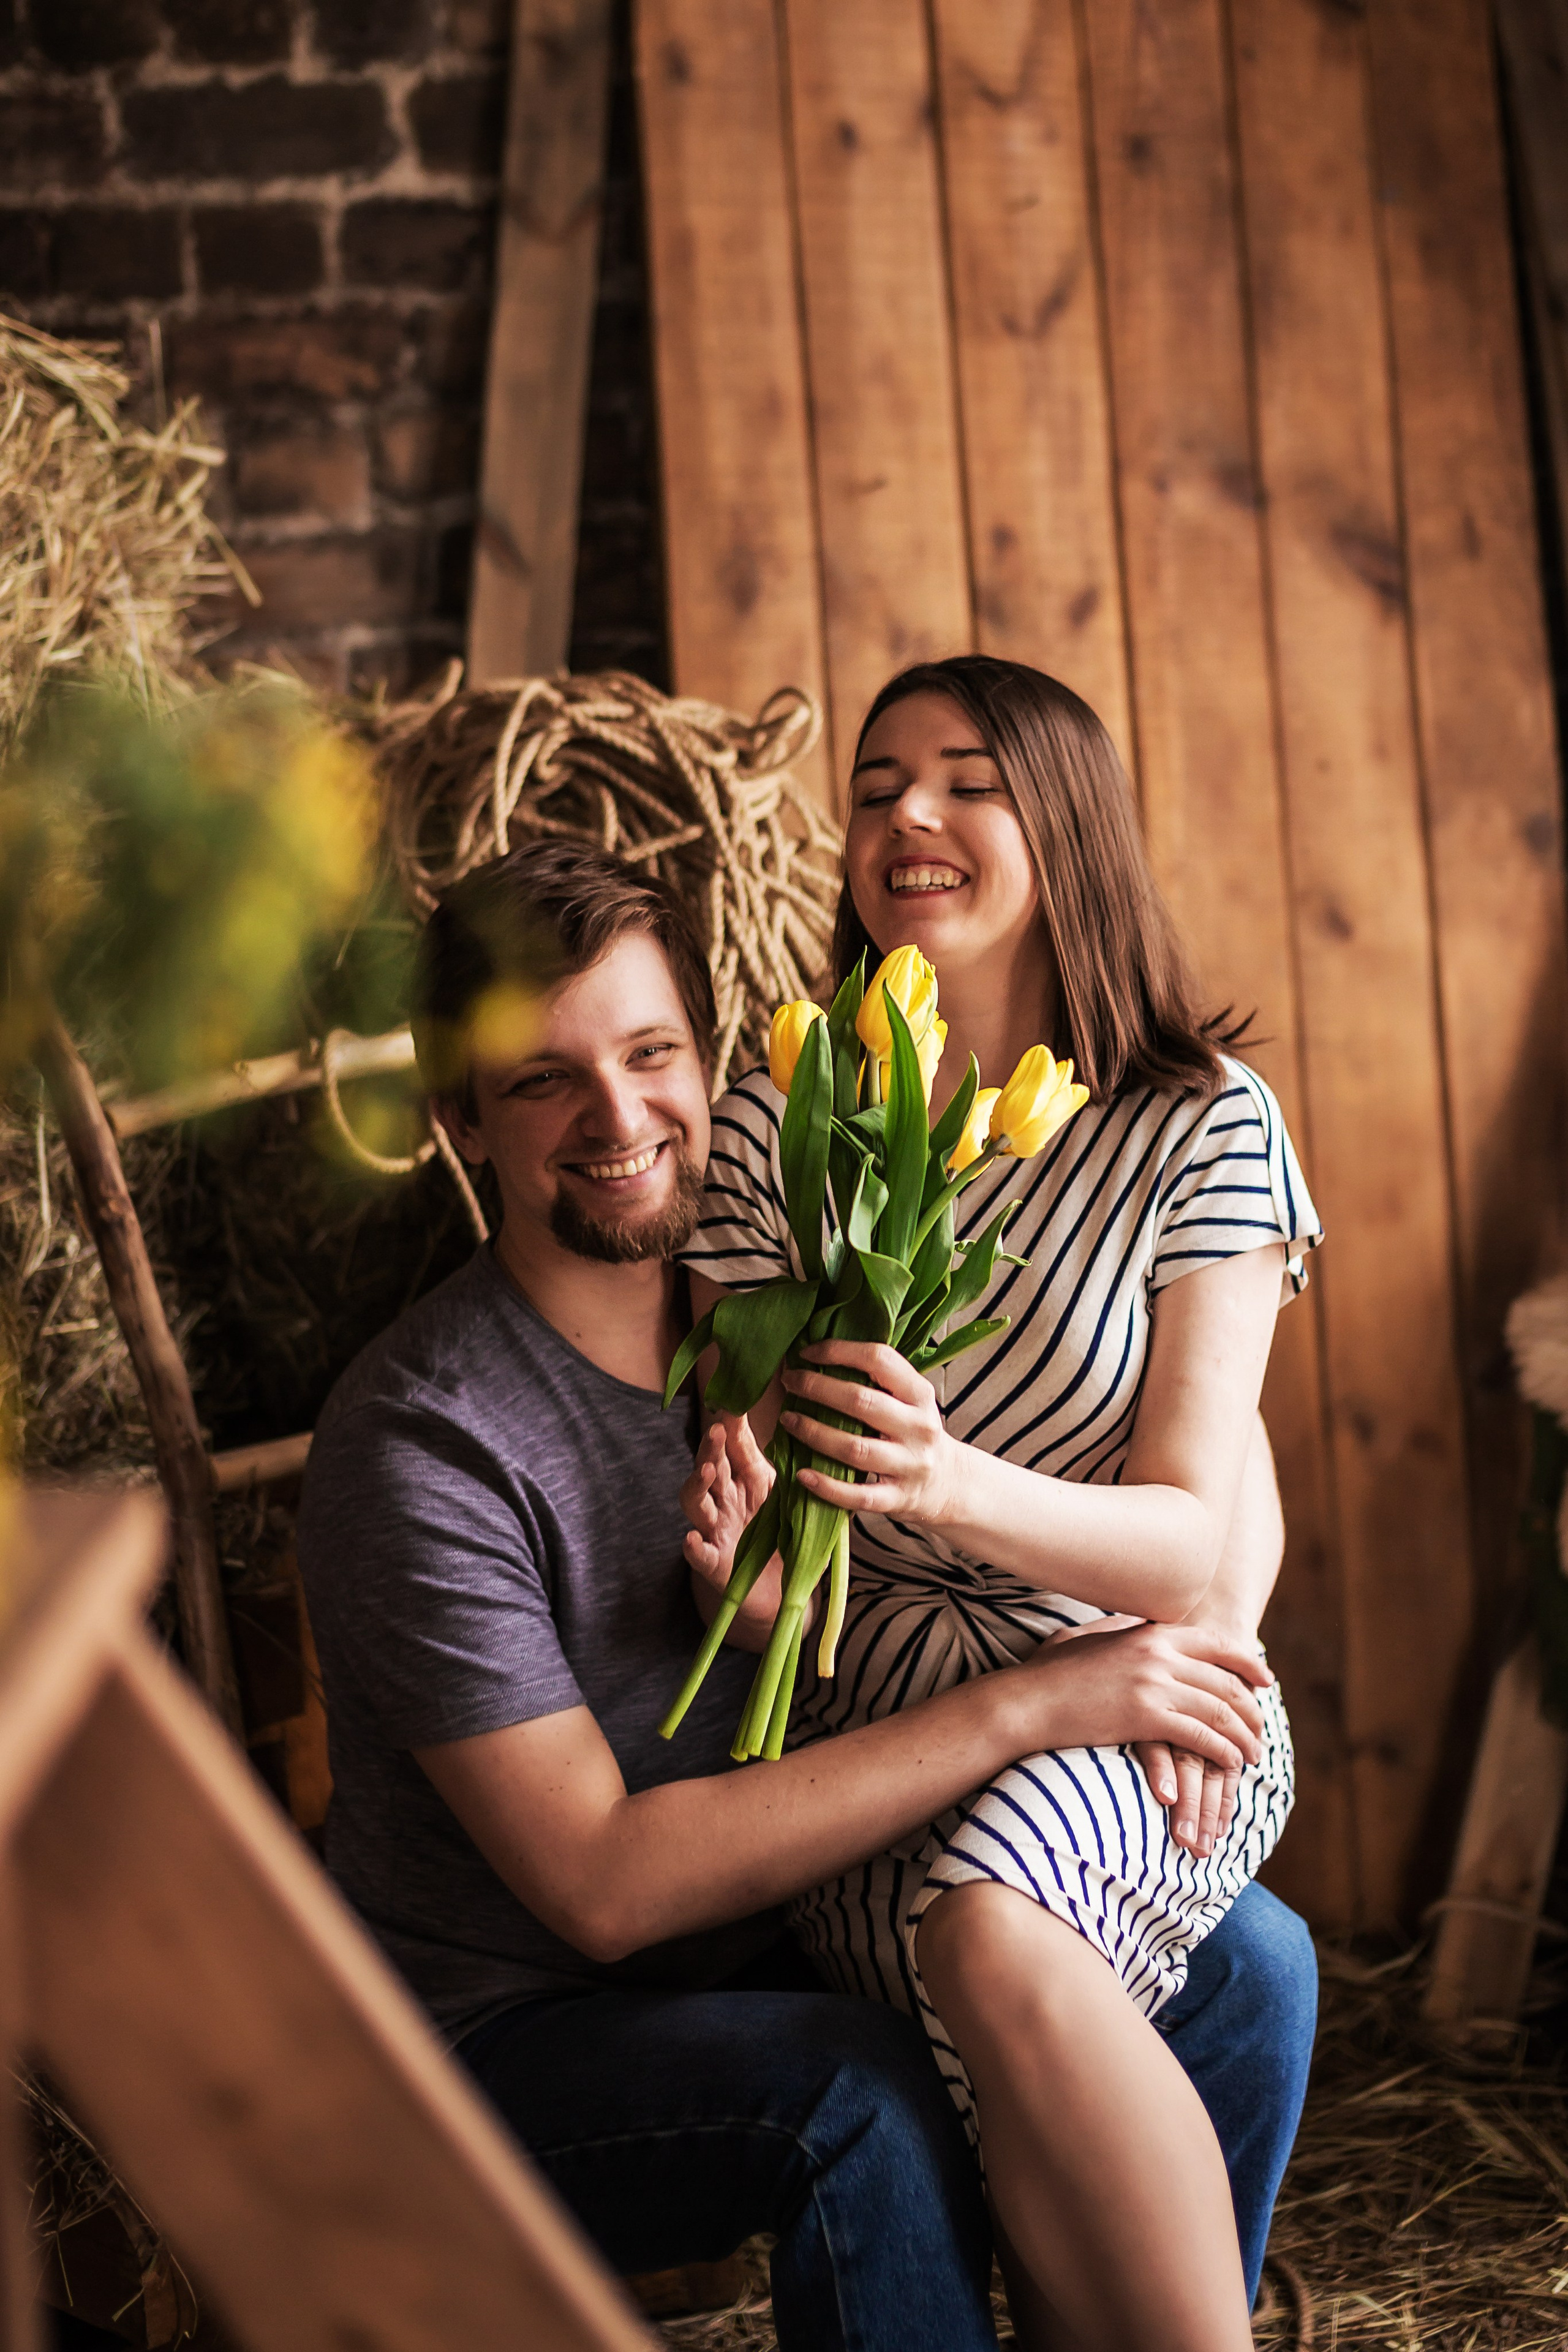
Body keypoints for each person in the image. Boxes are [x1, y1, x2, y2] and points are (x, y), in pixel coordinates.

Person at [295, 835, 1315, 2352]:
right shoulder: (425, 1442)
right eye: (542, 1081)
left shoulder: (799, 1314)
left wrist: (1193, 1639)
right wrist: (1031, 1705)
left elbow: (1209, 1445)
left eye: (651, 1054)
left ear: (713, 1067)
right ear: (462, 1119)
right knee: (858, 2098)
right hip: (512, 2039)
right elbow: (605, 1892)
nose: (618, 1118)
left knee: (1248, 1963)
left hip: (784, 1930)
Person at [682, 655, 1322, 2352]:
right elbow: (765, 1553)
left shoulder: (1202, 1127)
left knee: (995, 1914)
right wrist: (745, 1589)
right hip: (876, 1728)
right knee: (979, 1945)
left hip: (1139, 1698)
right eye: (883, 783)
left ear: (1074, 827)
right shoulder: (778, 1120)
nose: (909, 815)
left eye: (970, 781)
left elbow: (1194, 1531)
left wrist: (946, 1482)